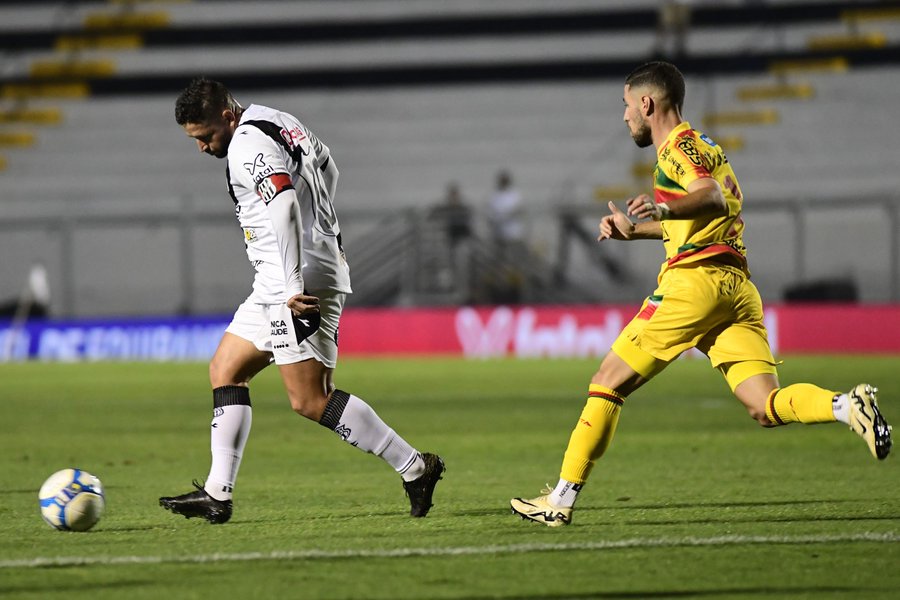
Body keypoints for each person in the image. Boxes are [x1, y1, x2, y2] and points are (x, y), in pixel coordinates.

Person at [510, 61, 892, 527]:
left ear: (647, 104)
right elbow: (707, 217)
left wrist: (662, 205)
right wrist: (640, 231)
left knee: (607, 382)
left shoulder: (675, 152)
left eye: (627, 106)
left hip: (694, 285)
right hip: (735, 288)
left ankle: (560, 501)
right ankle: (846, 405)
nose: (625, 116)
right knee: (764, 405)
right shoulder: (705, 144)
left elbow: (709, 197)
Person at [159, 78, 444, 524]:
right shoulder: (276, 119)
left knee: (311, 399)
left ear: (227, 117)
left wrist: (294, 282)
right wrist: (323, 228)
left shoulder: (246, 144)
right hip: (281, 279)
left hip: (293, 284)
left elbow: (285, 205)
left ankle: (415, 467)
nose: (202, 148)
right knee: (226, 369)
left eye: (205, 137)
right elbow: (328, 167)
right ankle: (217, 493)